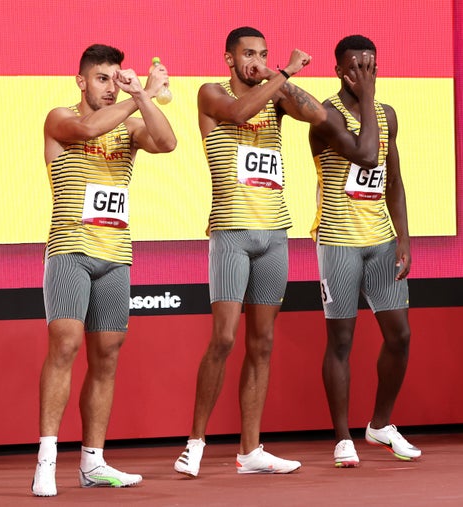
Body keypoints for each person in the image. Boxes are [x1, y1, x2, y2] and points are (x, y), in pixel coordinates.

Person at [173, 26, 326, 477]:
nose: (255, 61)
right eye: (248, 55)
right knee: (223, 338)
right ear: (229, 58)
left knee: (263, 343)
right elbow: (239, 114)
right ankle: (195, 443)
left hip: (275, 232)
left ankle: (251, 450)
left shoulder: (275, 93)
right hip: (232, 232)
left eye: (262, 54)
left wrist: (285, 80)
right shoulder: (210, 92)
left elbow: (317, 116)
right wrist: (281, 74)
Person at [31, 44, 177, 497]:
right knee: (66, 344)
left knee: (108, 355)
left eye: (117, 78)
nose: (110, 86)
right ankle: (47, 460)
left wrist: (146, 98)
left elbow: (167, 142)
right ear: (81, 81)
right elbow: (89, 127)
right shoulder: (60, 117)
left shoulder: (129, 124)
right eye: (101, 78)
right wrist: (141, 94)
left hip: (115, 254)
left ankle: (92, 462)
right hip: (70, 250)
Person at [308, 35, 420, 467]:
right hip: (337, 241)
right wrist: (369, 99)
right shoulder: (323, 115)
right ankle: (342, 437)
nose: (365, 74)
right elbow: (368, 155)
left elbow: (392, 179)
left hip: (379, 241)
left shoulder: (387, 115)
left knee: (401, 335)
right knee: (341, 339)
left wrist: (404, 239)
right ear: (339, 71)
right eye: (356, 67)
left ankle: (380, 424)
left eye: (371, 66)